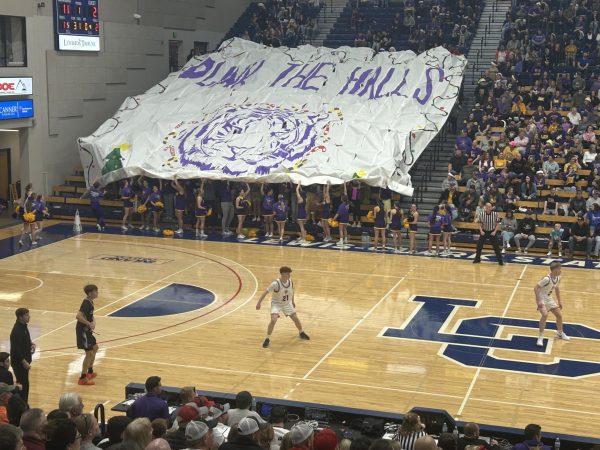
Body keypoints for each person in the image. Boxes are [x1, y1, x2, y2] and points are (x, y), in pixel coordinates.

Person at [255, 266, 310, 349]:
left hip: (287, 304)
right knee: (273, 320)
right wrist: (259, 303)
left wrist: (293, 301)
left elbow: (292, 291)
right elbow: (265, 292)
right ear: (283, 274)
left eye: (289, 273)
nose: (289, 274)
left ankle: (301, 332)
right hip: (276, 304)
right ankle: (267, 338)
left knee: (295, 318)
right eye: (288, 273)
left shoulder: (290, 281)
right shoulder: (275, 284)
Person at [534, 262, 570, 347]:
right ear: (554, 270)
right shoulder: (546, 279)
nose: (560, 270)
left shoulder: (558, 278)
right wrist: (539, 301)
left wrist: (559, 301)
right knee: (545, 315)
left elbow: (557, 289)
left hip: (549, 298)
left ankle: (560, 333)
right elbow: (536, 288)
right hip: (541, 298)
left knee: (559, 316)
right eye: (559, 269)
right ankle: (540, 337)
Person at [76, 285, 99, 386]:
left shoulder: (90, 302)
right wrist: (88, 323)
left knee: (95, 347)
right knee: (89, 353)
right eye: (95, 291)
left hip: (87, 330)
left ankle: (90, 371)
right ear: (90, 293)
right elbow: (78, 316)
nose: (97, 293)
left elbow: (90, 315)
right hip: (83, 331)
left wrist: (93, 321)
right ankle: (82, 378)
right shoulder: (86, 303)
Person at [9, 308, 34, 404]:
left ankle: (23, 403)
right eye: (26, 315)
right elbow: (15, 349)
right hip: (19, 363)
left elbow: (24, 340)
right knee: (22, 385)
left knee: (25, 384)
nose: (29, 317)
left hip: (24, 361)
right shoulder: (16, 331)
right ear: (20, 317)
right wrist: (23, 361)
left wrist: (30, 343)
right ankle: (21, 405)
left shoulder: (23, 326)